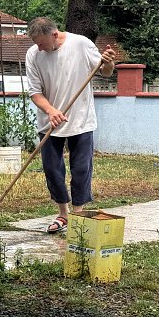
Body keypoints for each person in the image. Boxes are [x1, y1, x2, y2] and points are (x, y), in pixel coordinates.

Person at [25, 17, 116, 233]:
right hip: (49, 122)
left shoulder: (81, 44)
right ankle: (62, 214)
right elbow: (35, 93)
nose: (39, 48)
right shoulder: (33, 54)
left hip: (81, 119)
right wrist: (52, 111)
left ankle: (78, 213)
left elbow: (105, 71)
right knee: (52, 169)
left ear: (55, 35)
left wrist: (109, 61)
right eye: (36, 43)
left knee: (81, 168)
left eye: (42, 43)